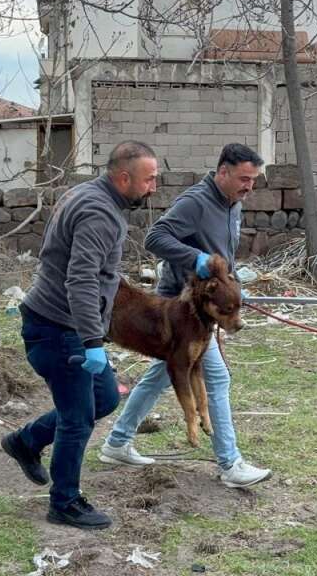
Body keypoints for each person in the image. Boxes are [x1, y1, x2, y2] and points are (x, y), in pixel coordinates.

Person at [1, 140, 159, 530]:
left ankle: (25, 441)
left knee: (103, 397)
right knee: (78, 418)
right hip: (57, 328)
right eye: (149, 179)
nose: (153, 187)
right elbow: (81, 279)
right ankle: (65, 502)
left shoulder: (90, 194)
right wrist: (91, 342)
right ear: (124, 178)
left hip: (62, 322)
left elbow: (95, 272)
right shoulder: (98, 213)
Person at [100, 143, 273, 488]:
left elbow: (222, 257)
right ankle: (230, 463)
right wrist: (194, 259)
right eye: (243, 178)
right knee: (217, 378)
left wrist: (233, 289)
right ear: (222, 172)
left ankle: (117, 442)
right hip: (181, 305)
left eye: (252, 180)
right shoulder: (195, 202)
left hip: (208, 305)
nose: (248, 186)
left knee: (162, 375)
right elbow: (155, 237)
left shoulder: (232, 204)